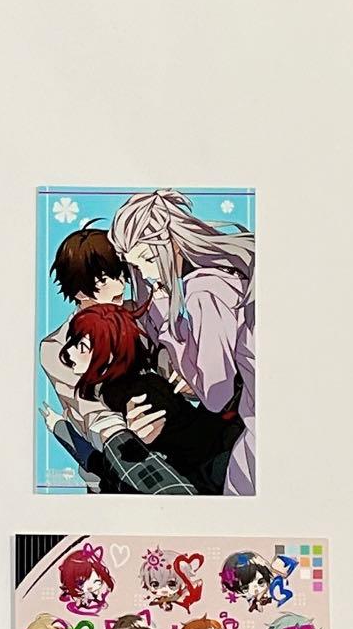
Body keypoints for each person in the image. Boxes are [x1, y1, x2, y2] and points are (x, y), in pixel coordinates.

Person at [109, 189, 255, 494]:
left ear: (172, 240)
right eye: (137, 265)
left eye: (149, 259)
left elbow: (215, 394)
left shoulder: (204, 288)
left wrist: (167, 322)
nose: (147, 273)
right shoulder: (228, 271)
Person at [59, 301, 242, 493]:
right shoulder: (123, 385)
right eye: (72, 342)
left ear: (110, 352)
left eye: (81, 346)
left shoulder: (129, 391)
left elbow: (186, 440)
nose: (69, 352)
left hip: (206, 469)